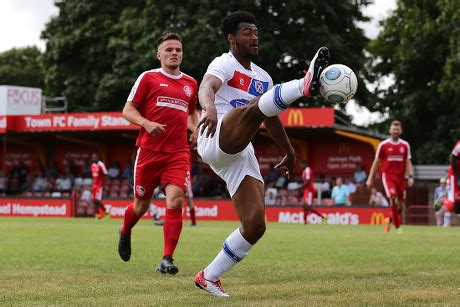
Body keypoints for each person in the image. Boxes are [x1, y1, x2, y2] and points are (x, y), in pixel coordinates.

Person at [193, 11, 330, 296]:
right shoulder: (224, 63)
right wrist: (208, 108)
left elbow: (271, 118)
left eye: (256, 32)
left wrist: (290, 152)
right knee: (254, 107)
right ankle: (302, 85)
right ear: (231, 38)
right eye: (247, 32)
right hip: (215, 135)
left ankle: (208, 276)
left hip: (240, 150)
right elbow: (207, 86)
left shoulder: (263, 77)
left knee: (255, 225)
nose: (254, 37)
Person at [117, 32, 199, 275]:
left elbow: (192, 113)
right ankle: (125, 230)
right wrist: (145, 123)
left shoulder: (191, 83)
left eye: (178, 49)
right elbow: (127, 110)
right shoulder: (148, 78)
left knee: (175, 201)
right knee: (140, 207)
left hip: (178, 153)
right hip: (149, 152)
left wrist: (196, 130)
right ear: (159, 54)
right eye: (169, 49)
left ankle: (167, 259)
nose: (175, 53)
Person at [366, 120, 414, 233]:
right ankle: (398, 228)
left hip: (401, 177)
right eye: (394, 129)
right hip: (388, 176)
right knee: (393, 198)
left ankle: (389, 220)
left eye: (398, 129)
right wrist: (370, 178)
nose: (396, 131)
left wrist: (410, 176)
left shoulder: (405, 145)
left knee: (400, 206)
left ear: (401, 131)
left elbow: (408, 161)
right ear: (390, 130)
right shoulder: (383, 145)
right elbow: (376, 162)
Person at [436, 141, 460, 227]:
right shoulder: (459, 146)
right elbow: (452, 158)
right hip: (456, 176)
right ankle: (443, 202)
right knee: (455, 206)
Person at [91, 153, 108, 219]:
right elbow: (94, 177)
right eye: (92, 157)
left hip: (99, 185)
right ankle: (104, 213)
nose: (93, 158)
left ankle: (99, 214)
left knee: (97, 200)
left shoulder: (101, 164)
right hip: (94, 185)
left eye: (95, 157)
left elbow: (106, 174)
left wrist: (105, 184)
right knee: (95, 200)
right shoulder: (92, 165)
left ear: (97, 157)